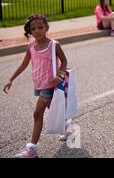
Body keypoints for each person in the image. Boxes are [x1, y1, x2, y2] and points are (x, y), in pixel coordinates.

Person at [3, 14, 68, 158]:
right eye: (33, 29)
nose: (37, 31)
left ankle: (32, 148)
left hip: (50, 84)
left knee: (37, 113)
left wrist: (60, 76)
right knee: (54, 109)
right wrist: (11, 79)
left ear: (46, 28)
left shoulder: (54, 45)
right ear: (30, 31)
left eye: (40, 27)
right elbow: (24, 64)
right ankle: (66, 125)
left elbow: (64, 61)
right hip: (38, 83)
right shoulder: (31, 46)